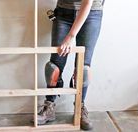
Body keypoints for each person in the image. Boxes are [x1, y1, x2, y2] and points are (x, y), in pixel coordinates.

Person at [38, 0, 105, 130]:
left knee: (83, 68)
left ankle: (80, 108)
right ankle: (49, 106)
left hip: (91, 13)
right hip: (63, 11)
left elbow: (87, 3)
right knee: (54, 67)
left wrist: (70, 37)